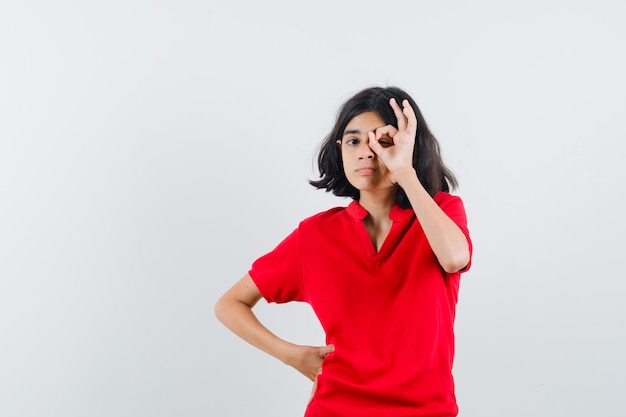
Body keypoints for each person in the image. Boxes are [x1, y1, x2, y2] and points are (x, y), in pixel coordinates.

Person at [215, 86, 473, 417]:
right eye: (353, 141)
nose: (365, 152)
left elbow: (455, 259)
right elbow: (229, 304)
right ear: (340, 150)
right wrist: (292, 355)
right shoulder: (314, 235)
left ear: (408, 145)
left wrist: (405, 172)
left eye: (382, 140)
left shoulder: (441, 211)